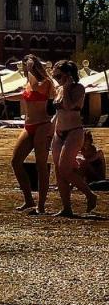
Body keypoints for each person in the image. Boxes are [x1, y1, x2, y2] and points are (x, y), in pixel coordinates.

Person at [9, 55, 54, 215]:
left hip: (42, 124)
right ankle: (28, 198)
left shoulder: (44, 82)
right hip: (29, 125)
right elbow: (24, 95)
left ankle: (41, 204)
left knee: (41, 165)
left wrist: (30, 70)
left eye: (27, 65)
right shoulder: (28, 82)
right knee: (16, 161)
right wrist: (3, 99)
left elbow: (35, 88)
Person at [50, 60, 95, 217]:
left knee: (65, 168)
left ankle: (89, 194)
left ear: (68, 75)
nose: (56, 78)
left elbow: (69, 106)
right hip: (59, 132)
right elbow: (58, 112)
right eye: (54, 75)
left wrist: (67, 87)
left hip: (74, 131)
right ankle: (66, 207)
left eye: (58, 75)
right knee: (58, 169)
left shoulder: (78, 89)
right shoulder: (59, 88)